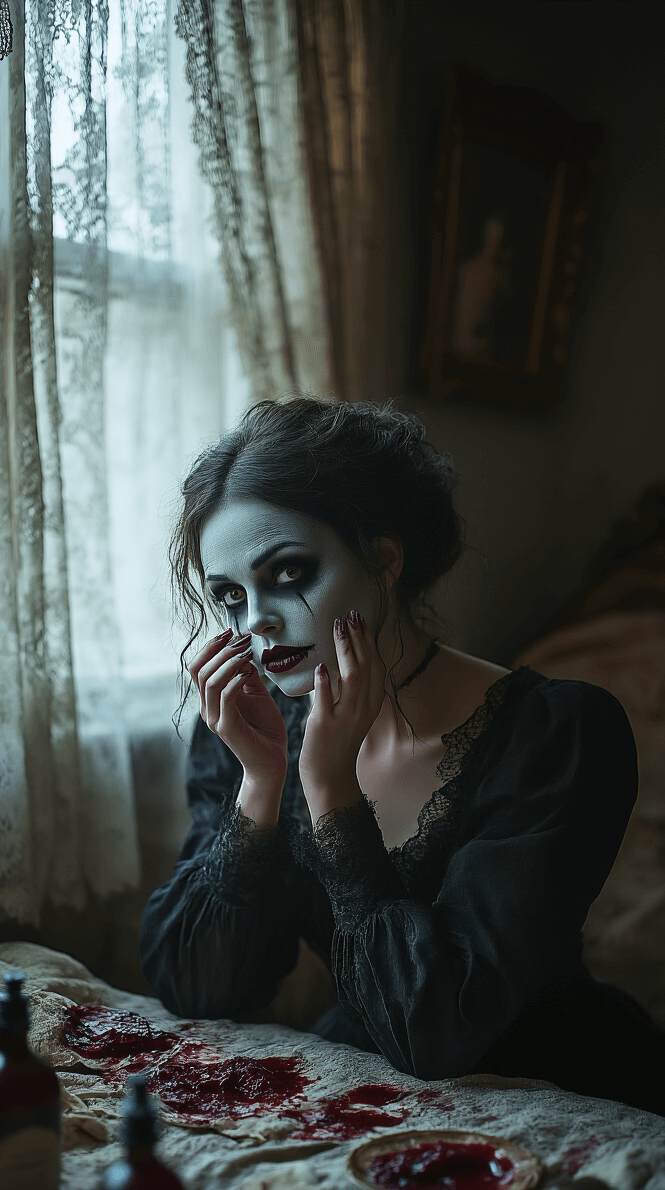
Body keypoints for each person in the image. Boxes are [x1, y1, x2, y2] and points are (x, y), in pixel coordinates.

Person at [140, 398, 665, 1116]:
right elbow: (195, 990)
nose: (255, 620)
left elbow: (440, 1034)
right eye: (230, 595)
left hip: (555, 1091)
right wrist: (261, 784)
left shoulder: (557, 734)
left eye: (288, 572)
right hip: (366, 1083)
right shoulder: (250, 725)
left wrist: (329, 790)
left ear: (384, 560)